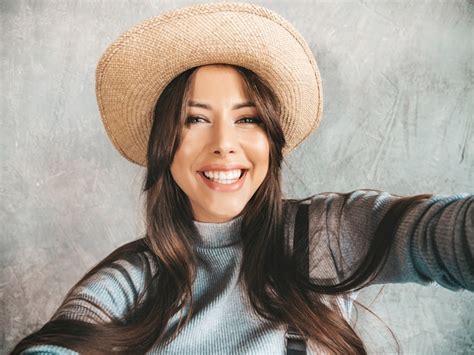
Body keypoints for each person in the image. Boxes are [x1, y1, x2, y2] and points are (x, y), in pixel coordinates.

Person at [12, 2, 473, 354]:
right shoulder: (131, 281)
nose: (224, 143)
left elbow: (443, 235)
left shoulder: (328, 236)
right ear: (163, 146)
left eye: (247, 119)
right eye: (195, 120)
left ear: (270, 139)